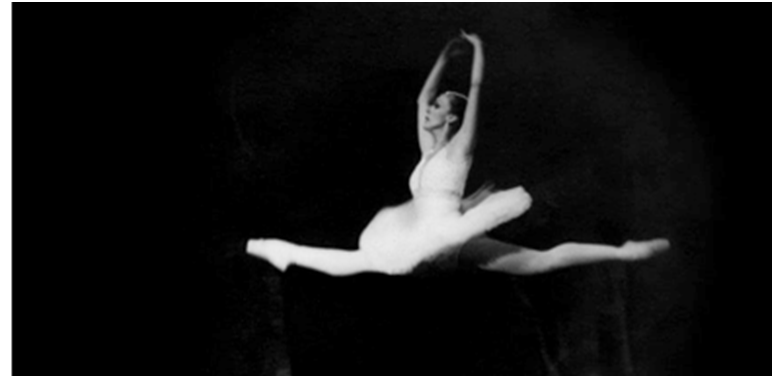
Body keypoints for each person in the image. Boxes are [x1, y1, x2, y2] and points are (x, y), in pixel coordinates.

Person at [246, 32, 670, 277]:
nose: (429, 109)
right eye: (433, 106)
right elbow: (420, 99)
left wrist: (478, 51)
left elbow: (477, 90)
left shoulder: (459, 148)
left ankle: (625, 252)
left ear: (450, 118)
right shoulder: (429, 151)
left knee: (538, 262)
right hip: (430, 232)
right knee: (360, 260)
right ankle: (282, 251)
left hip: (446, 231)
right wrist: (444, 57)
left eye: (438, 108)